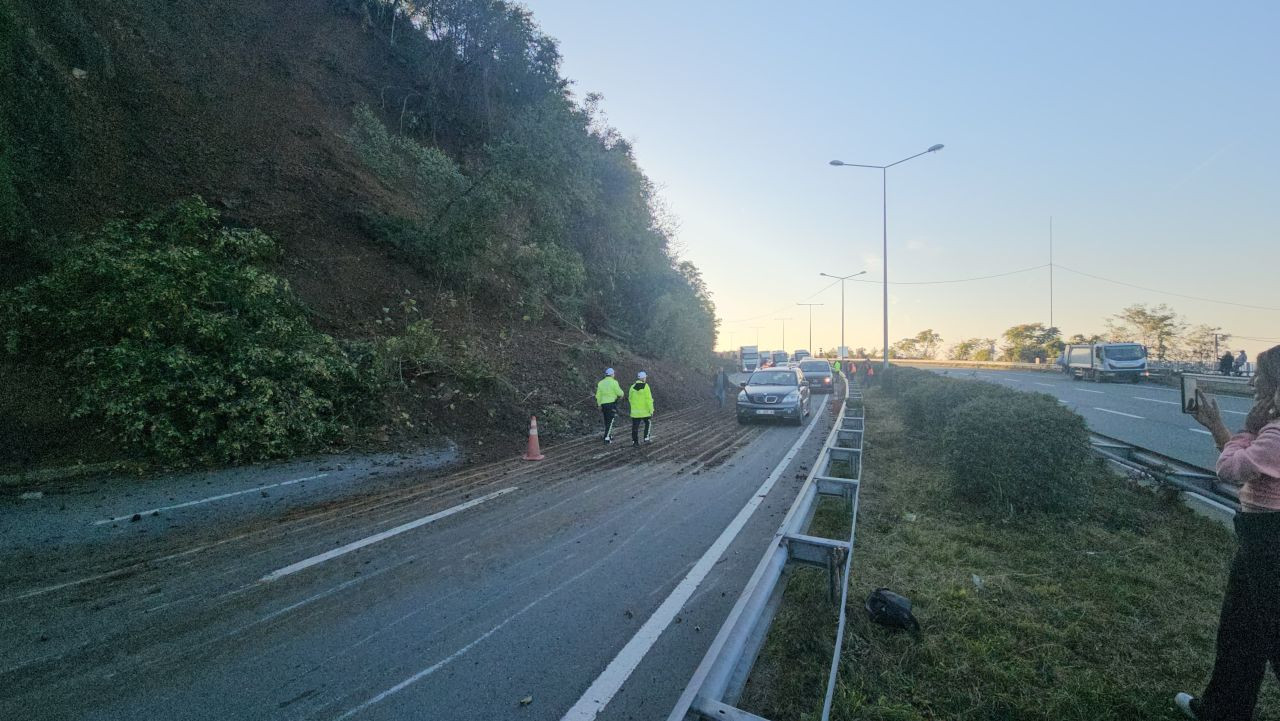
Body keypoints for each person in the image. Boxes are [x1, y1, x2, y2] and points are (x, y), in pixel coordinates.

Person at [1178, 344, 1280, 720]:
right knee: (1242, 629)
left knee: (1268, 635)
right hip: (1259, 539)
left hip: (1270, 542)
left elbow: (1232, 469)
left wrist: (1244, 430)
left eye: (1262, 377)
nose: (1253, 383)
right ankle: (1222, 711)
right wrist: (1220, 429)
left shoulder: (1275, 433)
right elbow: (1256, 470)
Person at [595, 367, 624, 444]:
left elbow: (598, 395)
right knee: (610, 420)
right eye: (614, 373)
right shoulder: (614, 382)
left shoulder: (600, 383)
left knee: (606, 420)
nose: (614, 375)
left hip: (603, 404)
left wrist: (599, 404)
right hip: (611, 404)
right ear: (611, 374)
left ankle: (609, 434)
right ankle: (607, 438)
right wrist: (621, 395)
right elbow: (619, 393)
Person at [628, 371, 655, 447]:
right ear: (643, 378)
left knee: (635, 427)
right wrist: (651, 410)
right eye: (645, 377)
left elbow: (630, 398)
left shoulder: (632, 387)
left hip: (635, 412)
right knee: (648, 423)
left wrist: (634, 406)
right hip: (645, 411)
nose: (646, 379)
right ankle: (646, 438)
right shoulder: (646, 386)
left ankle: (635, 442)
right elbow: (649, 399)